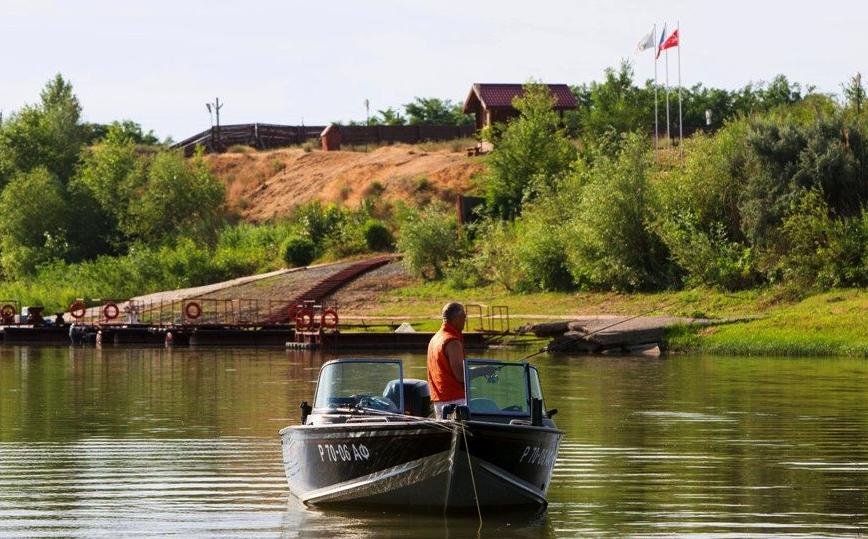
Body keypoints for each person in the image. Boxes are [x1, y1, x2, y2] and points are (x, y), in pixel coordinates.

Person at [427, 302, 469, 418]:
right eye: (464, 317)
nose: (465, 320)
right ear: (456, 318)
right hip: (456, 402)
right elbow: (460, 375)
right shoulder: (452, 342)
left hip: (439, 401)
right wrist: (484, 370)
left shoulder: (435, 339)